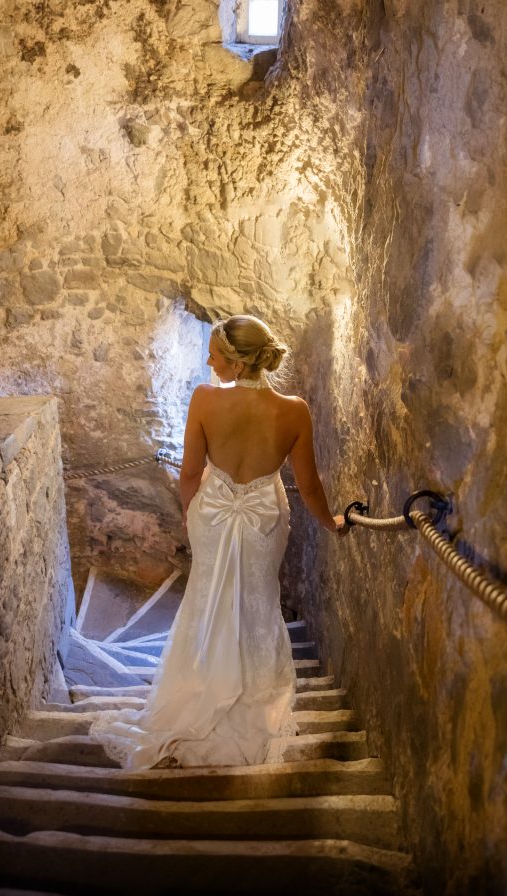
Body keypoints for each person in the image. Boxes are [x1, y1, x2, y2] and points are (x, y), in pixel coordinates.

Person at [90, 314, 347, 771]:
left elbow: (190, 474)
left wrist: (193, 518)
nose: (208, 361)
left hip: (211, 515)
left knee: (206, 602)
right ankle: (249, 700)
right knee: (255, 603)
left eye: (214, 354)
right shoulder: (295, 410)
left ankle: (202, 686)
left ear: (234, 361)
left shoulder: (205, 400)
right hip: (263, 521)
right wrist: (333, 523)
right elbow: (308, 486)